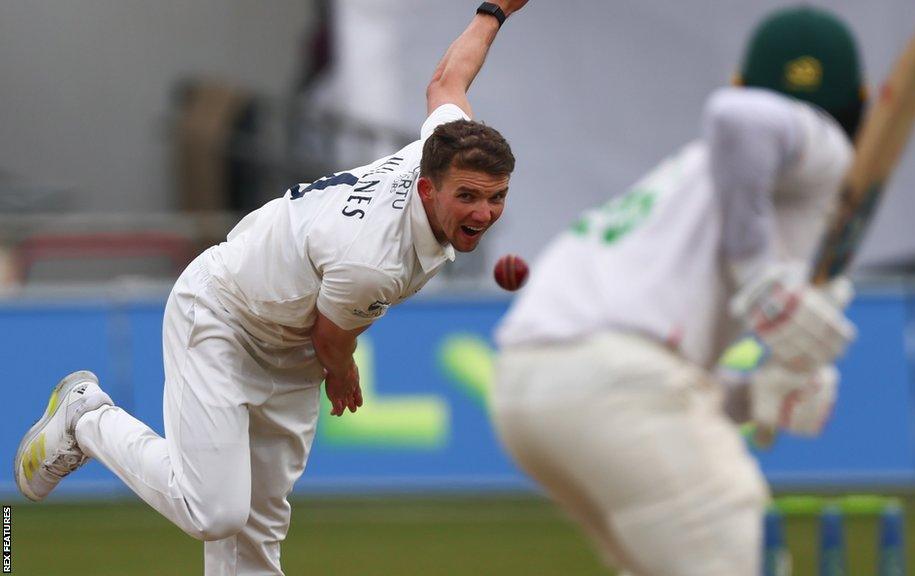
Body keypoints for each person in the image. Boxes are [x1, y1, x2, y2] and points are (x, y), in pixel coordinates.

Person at [14, 2, 526, 574]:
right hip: (224, 316)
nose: (485, 213)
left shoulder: (439, 150)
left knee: (256, 536)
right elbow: (333, 340)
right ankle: (87, 418)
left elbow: (447, 81)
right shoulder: (375, 261)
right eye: (469, 197)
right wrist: (343, 373)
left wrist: (493, 11)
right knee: (213, 512)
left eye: (496, 196)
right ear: (428, 191)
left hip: (290, 345)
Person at [492, 6, 863, 576]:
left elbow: (633, 345)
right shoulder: (822, 149)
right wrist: (760, 272)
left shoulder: (697, 174)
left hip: (528, 387)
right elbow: (737, 116)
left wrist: (746, 392)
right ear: (859, 102)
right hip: (617, 383)